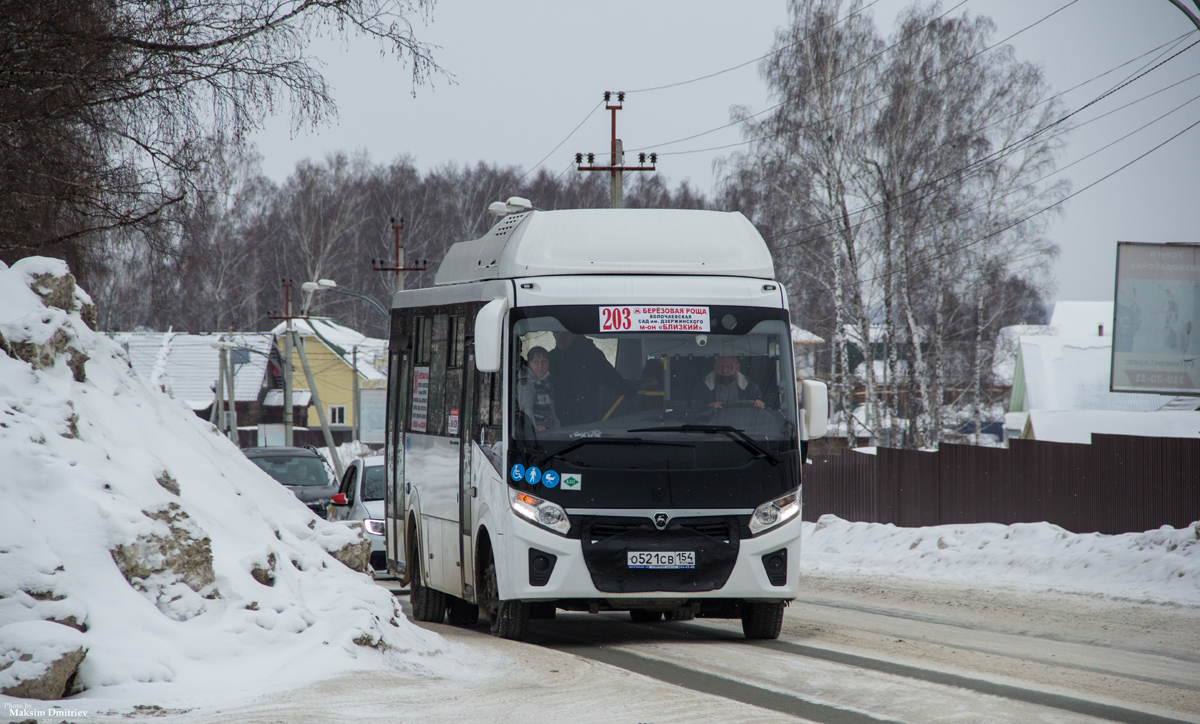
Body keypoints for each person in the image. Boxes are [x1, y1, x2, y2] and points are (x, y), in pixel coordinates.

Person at [548, 331, 635, 426]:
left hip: (586, 418)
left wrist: (632, 392)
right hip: (554, 421)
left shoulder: (592, 355)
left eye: (565, 334)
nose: (560, 338)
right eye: (556, 333)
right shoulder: (549, 359)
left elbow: (611, 378)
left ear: (574, 333)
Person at [691, 355, 765, 410]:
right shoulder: (702, 388)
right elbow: (695, 410)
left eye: (729, 367)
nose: (724, 371)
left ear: (737, 368)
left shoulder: (751, 389)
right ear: (714, 368)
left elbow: (762, 414)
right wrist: (709, 407)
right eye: (720, 367)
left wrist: (760, 404)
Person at [516, 346, 559, 434]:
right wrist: (532, 430)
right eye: (535, 362)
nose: (540, 366)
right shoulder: (526, 382)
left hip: (548, 430)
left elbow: (551, 407)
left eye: (544, 361)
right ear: (529, 363)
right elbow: (526, 409)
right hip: (537, 432)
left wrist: (558, 428)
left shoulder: (547, 380)